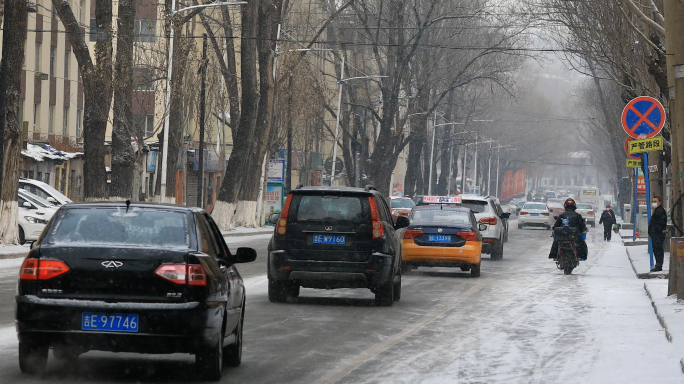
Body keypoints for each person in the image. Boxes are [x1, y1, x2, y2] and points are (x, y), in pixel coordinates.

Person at [648, 196, 668, 272]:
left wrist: (654, 230)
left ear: (660, 202)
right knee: (656, 249)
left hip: (657, 234)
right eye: (652, 201)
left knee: (658, 250)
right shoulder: (657, 210)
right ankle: (658, 265)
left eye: (655, 201)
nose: (653, 203)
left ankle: (659, 265)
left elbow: (660, 223)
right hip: (655, 234)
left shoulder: (660, 211)